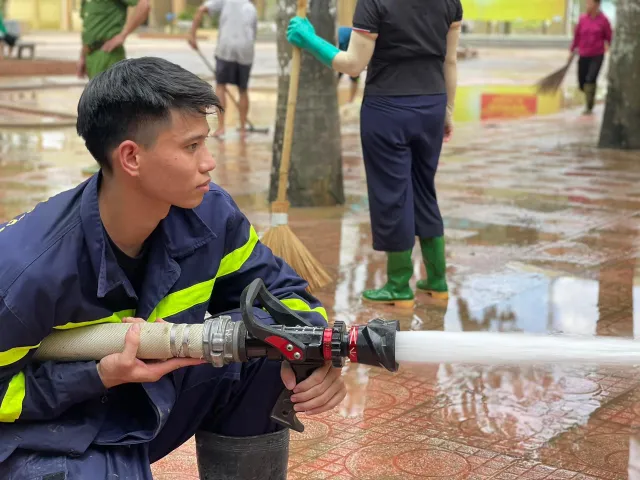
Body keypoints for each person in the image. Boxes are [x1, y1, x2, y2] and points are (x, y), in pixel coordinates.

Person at [0, 57, 345, 479]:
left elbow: (286, 297)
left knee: (265, 350)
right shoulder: (26, 270)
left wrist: (311, 354)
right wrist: (95, 375)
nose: (209, 162)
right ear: (131, 157)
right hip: (49, 432)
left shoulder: (210, 217)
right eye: (191, 146)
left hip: (142, 402)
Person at [287, 0, 462, 308]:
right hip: (431, 106)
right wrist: (448, 109)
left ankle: (398, 285)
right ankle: (437, 280)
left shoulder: (374, 2)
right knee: (423, 189)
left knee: (393, 193)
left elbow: (353, 64)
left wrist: (309, 39)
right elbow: (450, 61)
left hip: (388, 109)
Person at [78, 0, 151, 176]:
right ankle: (109, 159)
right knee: (99, 109)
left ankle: (114, 160)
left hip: (108, 53)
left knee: (110, 109)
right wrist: (83, 55)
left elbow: (144, 5)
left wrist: (123, 34)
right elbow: (89, 26)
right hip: (92, 54)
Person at [189, 0, 258, 138]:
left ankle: (221, 128)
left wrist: (192, 35)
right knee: (243, 89)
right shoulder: (251, 8)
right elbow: (253, 35)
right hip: (246, 50)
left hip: (226, 48)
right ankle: (243, 129)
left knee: (221, 86)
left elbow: (201, 9)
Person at [569, 0, 612, 115]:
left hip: (597, 55)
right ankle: (589, 94)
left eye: (590, 3)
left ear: (597, 5)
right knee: (581, 81)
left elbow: (609, 37)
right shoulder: (582, 19)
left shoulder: (603, 20)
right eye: (587, 3)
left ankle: (589, 106)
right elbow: (577, 36)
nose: (587, 5)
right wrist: (572, 49)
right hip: (583, 54)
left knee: (590, 78)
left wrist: (611, 49)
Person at [336, 26, 360, 103]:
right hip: (344, 46)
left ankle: (351, 101)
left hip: (350, 47)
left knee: (355, 76)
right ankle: (351, 101)